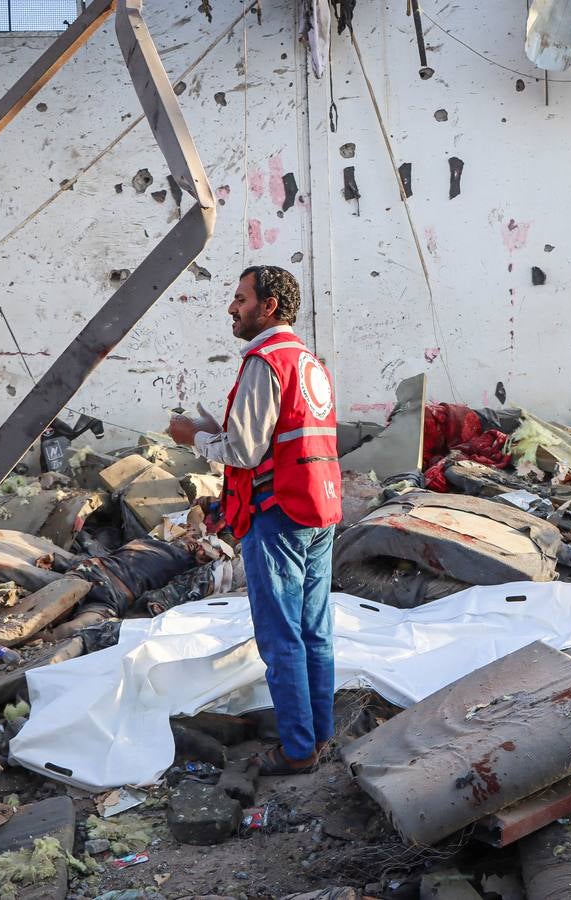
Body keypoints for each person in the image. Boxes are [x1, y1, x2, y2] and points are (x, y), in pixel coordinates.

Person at [167, 265, 342, 775]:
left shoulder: (264, 361)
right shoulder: (308, 363)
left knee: (280, 636)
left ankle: (296, 750)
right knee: (315, 631)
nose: (231, 308)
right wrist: (215, 429)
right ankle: (317, 735)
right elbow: (282, 434)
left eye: (239, 298)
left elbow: (244, 451)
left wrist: (192, 437)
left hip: (278, 513)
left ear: (267, 307)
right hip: (318, 508)